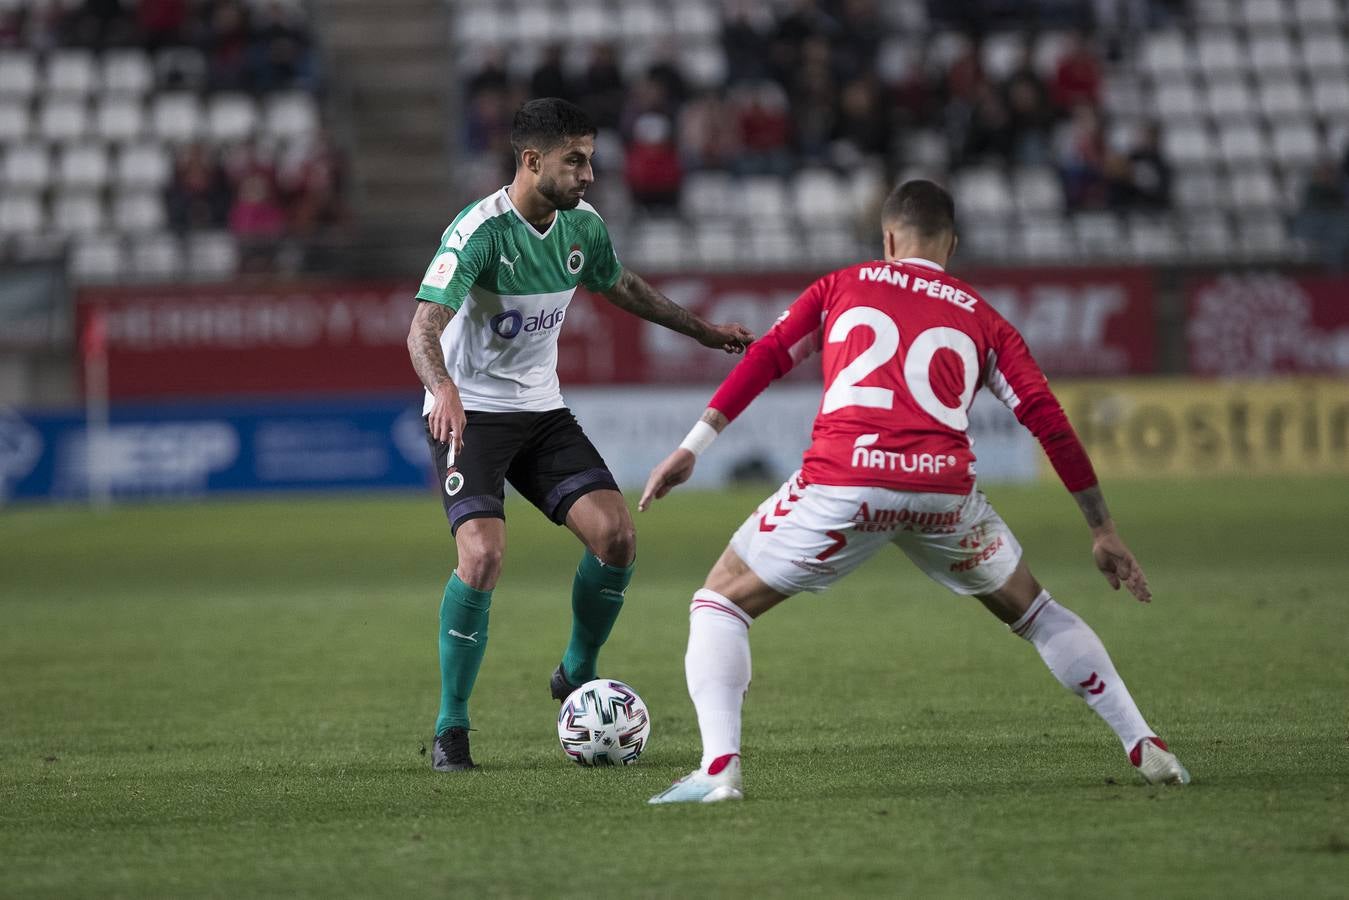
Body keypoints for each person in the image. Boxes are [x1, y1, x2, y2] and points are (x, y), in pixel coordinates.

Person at [639, 180, 1190, 804]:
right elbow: (1046, 417)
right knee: (1038, 615)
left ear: (888, 238)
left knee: (719, 604)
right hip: (942, 493)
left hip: (845, 482)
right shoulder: (985, 320)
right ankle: (1144, 743)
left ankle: (719, 772)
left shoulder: (840, 285)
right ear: (951, 244)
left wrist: (692, 447)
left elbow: (766, 357)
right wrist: (1101, 528)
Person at [407, 98, 754, 773]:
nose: (590, 173)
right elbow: (423, 326)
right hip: (469, 413)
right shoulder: (479, 232)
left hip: (540, 411)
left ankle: (576, 671)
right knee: (481, 557)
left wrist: (704, 331)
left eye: (590, 158)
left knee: (618, 536)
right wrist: (443, 387)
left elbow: (619, 284)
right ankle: (452, 726)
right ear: (532, 161)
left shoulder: (581, 227)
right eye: (577, 159)